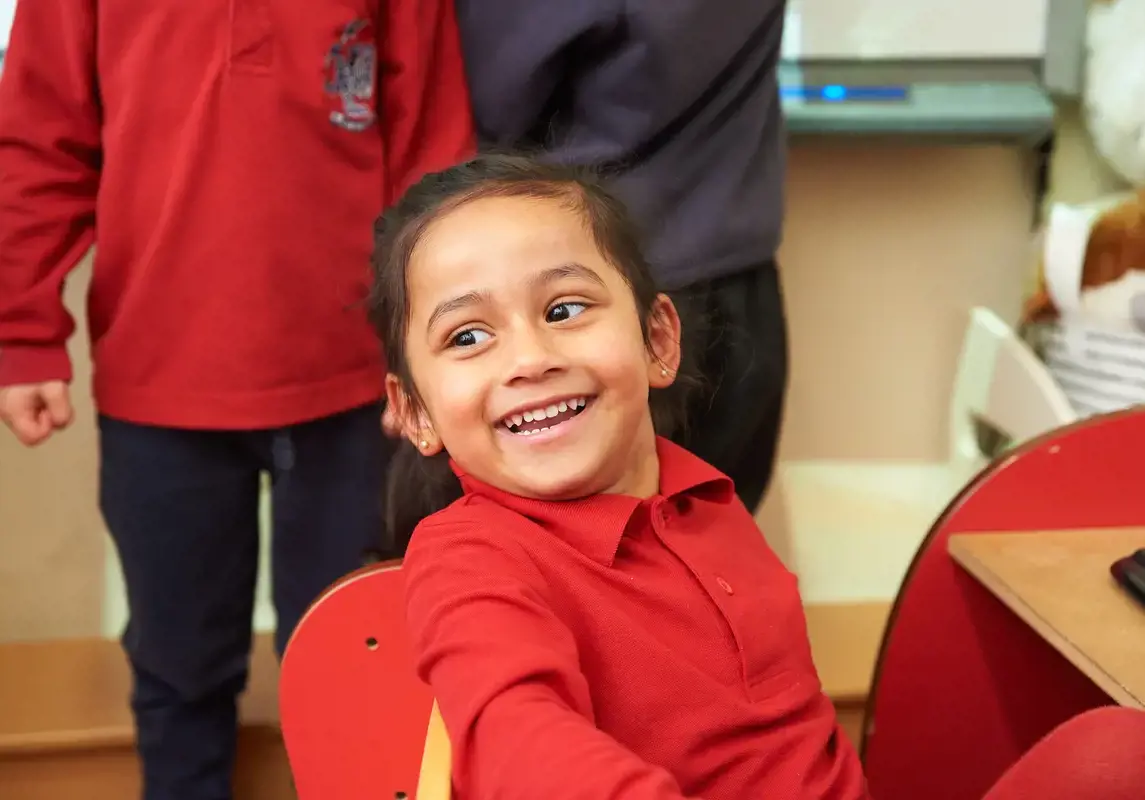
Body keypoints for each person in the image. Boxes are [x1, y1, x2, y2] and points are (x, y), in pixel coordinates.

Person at [369, 154, 1145, 799]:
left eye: (566, 308)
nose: (529, 358)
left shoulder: (703, 498)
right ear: (417, 414)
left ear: (656, 340)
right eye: (468, 336)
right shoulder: (470, 558)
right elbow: (518, 743)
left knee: (1114, 749)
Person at [0, 3, 472, 799]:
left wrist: (427, 352)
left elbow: (431, 155)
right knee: (178, 667)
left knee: (362, 665)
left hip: (358, 394)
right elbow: (40, 141)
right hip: (161, 390)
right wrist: (22, 331)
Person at [452, 0, 789, 511]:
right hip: (744, 283)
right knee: (710, 548)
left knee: (588, 563)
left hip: (599, 292)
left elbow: (491, 100)